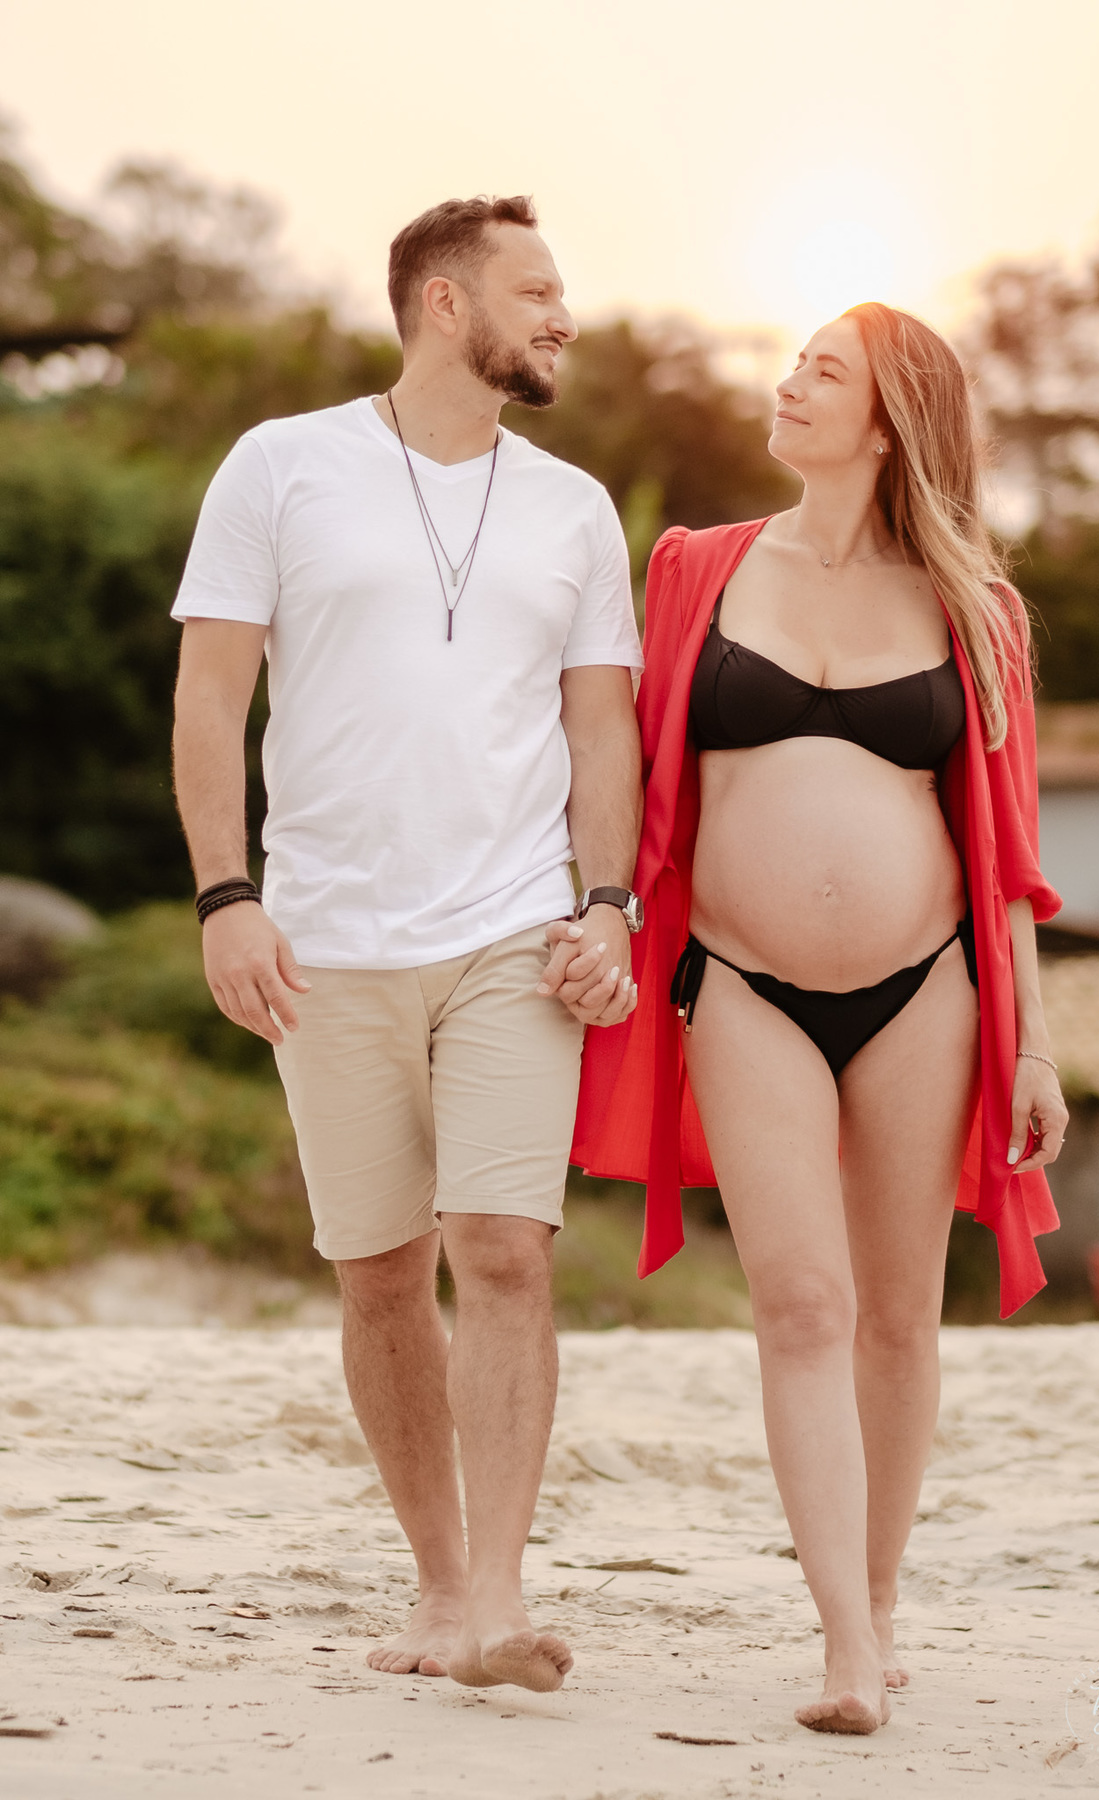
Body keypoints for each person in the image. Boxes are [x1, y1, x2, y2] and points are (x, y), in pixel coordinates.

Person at [564, 302, 1068, 1733]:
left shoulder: (978, 609)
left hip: (930, 991)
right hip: (741, 982)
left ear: (891, 418)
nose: (786, 386)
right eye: (790, 364)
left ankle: (883, 1593)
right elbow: (612, 752)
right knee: (801, 1303)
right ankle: (845, 1643)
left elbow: (1013, 853)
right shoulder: (695, 570)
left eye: (821, 372)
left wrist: (1032, 1040)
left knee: (900, 1320)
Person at [171, 195, 644, 1694]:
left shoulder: (574, 507)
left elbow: (600, 725)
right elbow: (208, 701)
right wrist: (223, 896)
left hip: (516, 932)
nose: (566, 314)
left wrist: (609, 902)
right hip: (324, 936)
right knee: (379, 1276)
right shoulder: (281, 466)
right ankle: (439, 1590)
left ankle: (500, 1602)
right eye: (539, 288)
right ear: (446, 302)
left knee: (502, 1250)